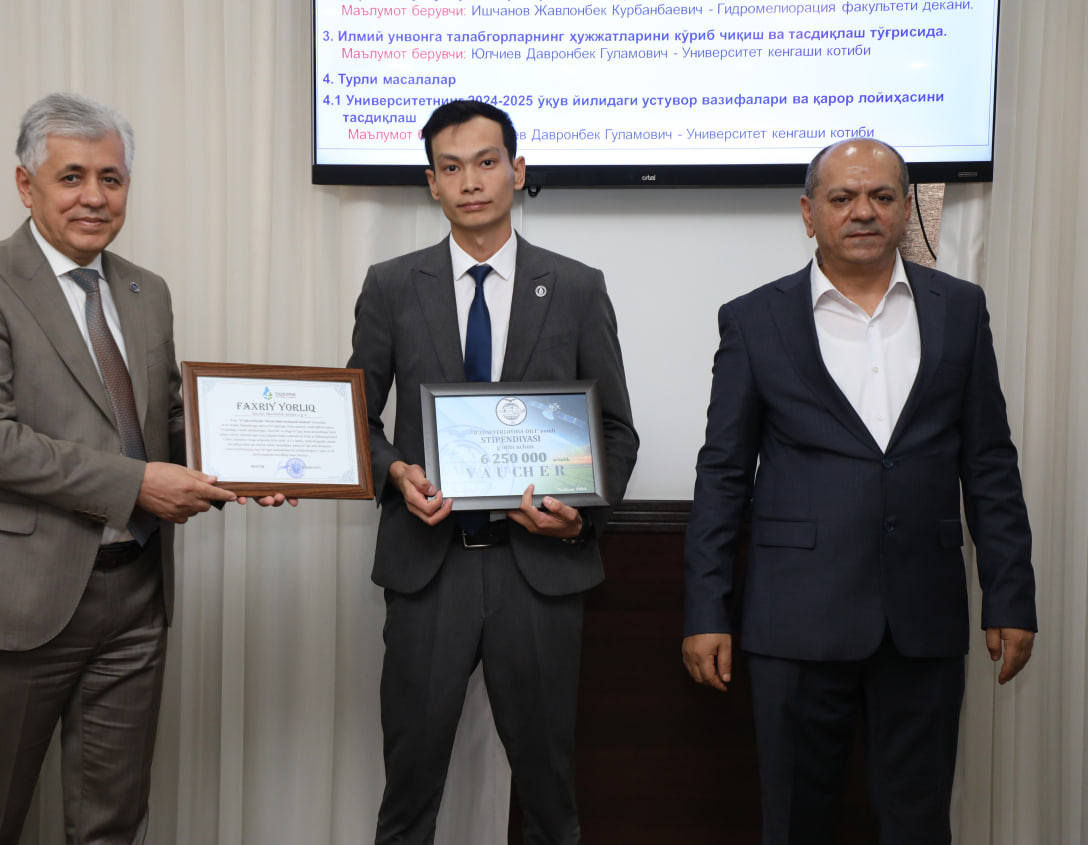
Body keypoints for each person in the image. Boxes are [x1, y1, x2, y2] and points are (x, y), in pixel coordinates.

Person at [0, 92, 289, 845]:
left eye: (112, 178)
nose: (94, 196)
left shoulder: (145, 291)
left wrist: (248, 464)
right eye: (72, 176)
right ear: (26, 185)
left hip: (135, 596)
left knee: (112, 823)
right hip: (21, 598)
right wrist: (137, 485)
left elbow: (167, 423)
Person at [681, 138, 1038, 844]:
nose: (863, 211)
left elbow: (990, 463)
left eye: (880, 196)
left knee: (917, 823)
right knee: (796, 823)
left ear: (905, 208)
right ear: (808, 213)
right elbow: (723, 473)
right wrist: (705, 609)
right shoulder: (754, 318)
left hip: (923, 616)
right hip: (795, 618)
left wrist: (1010, 594)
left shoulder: (959, 308)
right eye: (842, 197)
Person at [347, 99, 639, 844]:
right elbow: (356, 420)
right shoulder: (391, 285)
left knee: (549, 796)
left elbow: (615, 431)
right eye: (451, 167)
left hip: (537, 571)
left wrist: (580, 518)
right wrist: (396, 471)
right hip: (429, 569)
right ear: (432, 183)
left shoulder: (576, 286)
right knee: (409, 793)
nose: (470, 181)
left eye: (486, 162)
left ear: (518, 169)